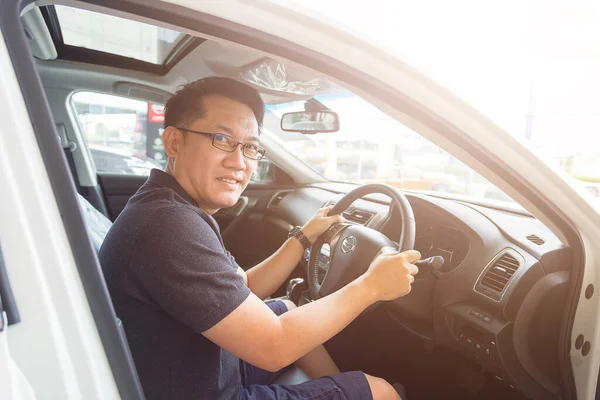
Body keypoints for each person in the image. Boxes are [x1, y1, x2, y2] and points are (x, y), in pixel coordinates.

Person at [99, 77, 420, 400]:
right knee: (379, 390)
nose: (239, 162)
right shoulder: (169, 226)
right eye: (221, 139)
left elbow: (245, 287)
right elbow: (273, 347)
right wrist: (371, 286)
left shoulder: (170, 205)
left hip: (201, 364)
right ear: (173, 142)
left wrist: (303, 238)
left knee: (290, 308)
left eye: (250, 147)